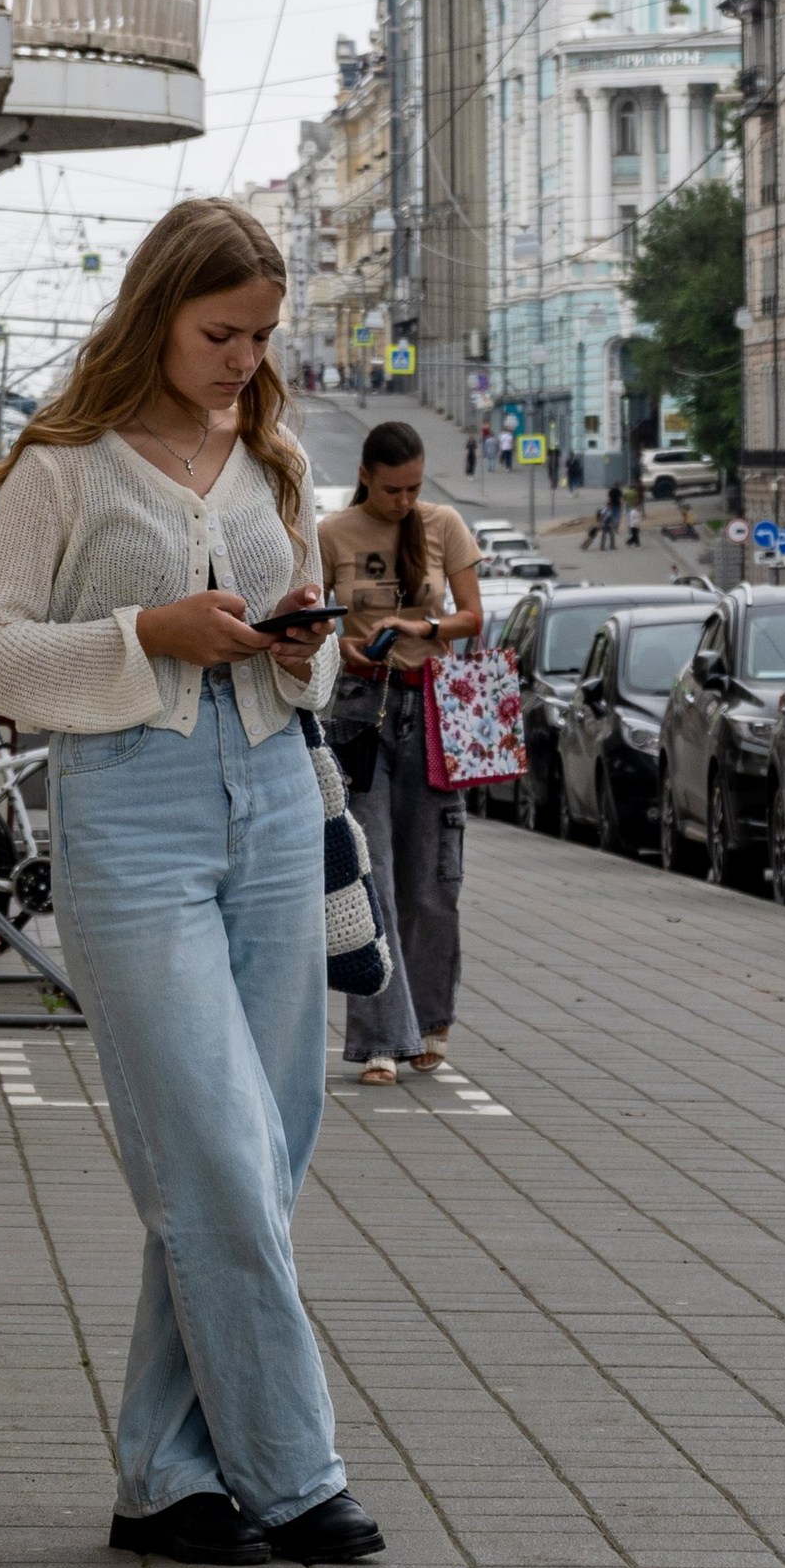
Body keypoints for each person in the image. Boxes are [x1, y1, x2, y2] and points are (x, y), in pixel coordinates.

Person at [0, 198, 383, 1568]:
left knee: (263, 1146)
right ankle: (293, 1472)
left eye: (261, 334)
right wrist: (148, 625)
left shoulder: (273, 460)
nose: (244, 357)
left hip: (267, 800)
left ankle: (163, 1478)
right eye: (220, 332)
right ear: (156, 314)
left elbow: (295, 646)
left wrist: (303, 642)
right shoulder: (67, 470)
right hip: (129, 815)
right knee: (215, 1150)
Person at [316, 422, 483, 1086]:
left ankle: (432, 1024)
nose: (404, 501)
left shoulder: (443, 524)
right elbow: (313, 614)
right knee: (372, 874)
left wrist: (421, 626)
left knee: (434, 882)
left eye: (413, 487)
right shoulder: (333, 533)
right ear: (366, 475)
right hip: (361, 710)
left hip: (434, 710)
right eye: (392, 489)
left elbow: (473, 617)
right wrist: (342, 646)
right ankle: (382, 1039)